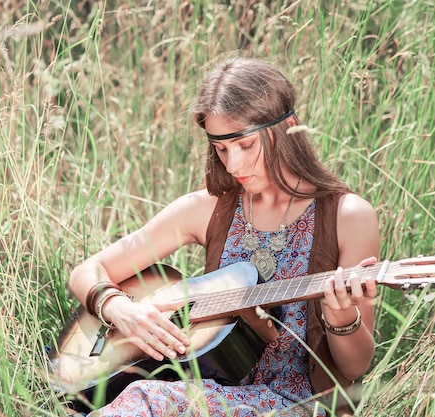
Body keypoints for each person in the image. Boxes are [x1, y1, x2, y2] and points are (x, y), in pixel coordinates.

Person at [66, 57, 380, 416]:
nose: (233, 165)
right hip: (205, 386)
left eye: (245, 145)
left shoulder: (348, 216)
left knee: (148, 401)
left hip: (298, 403)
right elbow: (88, 270)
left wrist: (341, 317)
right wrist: (120, 309)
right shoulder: (208, 208)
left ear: (288, 127)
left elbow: (354, 369)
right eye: (220, 148)